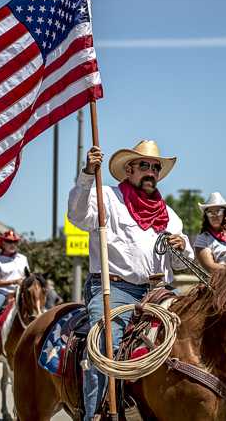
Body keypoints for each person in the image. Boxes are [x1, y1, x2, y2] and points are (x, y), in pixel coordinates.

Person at [68, 140, 193, 420]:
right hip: (115, 289)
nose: (151, 172)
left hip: (160, 292)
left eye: (155, 167)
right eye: (144, 166)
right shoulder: (107, 197)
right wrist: (88, 173)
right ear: (128, 170)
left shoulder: (169, 215)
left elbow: (179, 261)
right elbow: (77, 215)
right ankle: (96, 412)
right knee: (105, 344)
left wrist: (182, 246)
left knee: (192, 335)